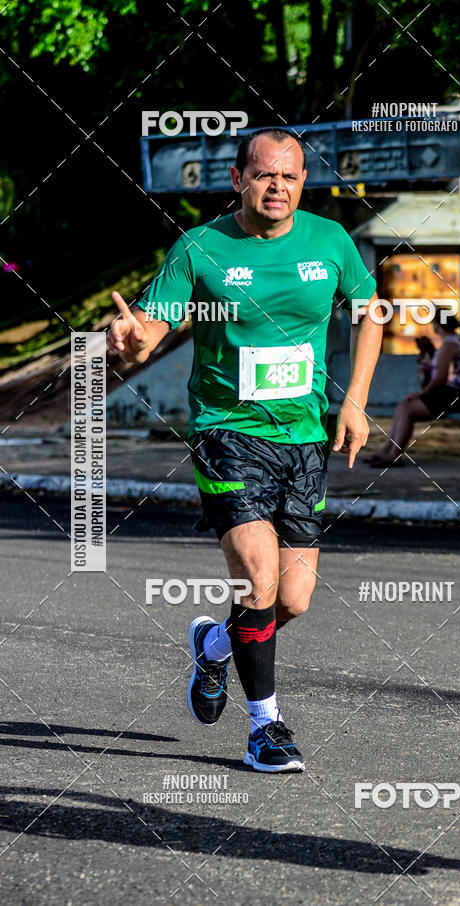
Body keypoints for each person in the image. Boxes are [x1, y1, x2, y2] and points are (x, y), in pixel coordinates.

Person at [107, 128, 382, 772]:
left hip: (303, 436)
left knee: (292, 600)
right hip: (227, 432)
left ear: (303, 184)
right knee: (257, 578)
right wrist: (134, 338)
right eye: (264, 175)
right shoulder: (200, 248)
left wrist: (356, 400)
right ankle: (267, 726)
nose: (278, 187)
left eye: (289, 176)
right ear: (238, 181)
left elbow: (370, 312)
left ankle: (214, 648)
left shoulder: (332, 241)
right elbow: (155, 324)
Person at [364, 310, 460, 468]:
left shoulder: (449, 345)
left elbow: (441, 378)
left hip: (455, 396)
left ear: (437, 325)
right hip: (453, 394)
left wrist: (421, 394)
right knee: (404, 407)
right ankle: (387, 452)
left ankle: (393, 455)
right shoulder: (456, 341)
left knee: (408, 409)